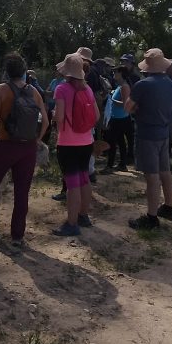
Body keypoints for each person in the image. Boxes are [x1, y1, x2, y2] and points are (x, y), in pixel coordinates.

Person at [0, 53, 49, 247]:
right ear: (24, 72)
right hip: (27, 147)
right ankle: (17, 236)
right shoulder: (34, 91)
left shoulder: (1, 89)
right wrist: (37, 140)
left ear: (7, 72)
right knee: (22, 191)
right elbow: (45, 121)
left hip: (5, 144)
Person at [126, 49, 172, 229]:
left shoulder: (143, 85)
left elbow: (128, 107)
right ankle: (168, 207)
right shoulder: (170, 83)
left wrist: (139, 108)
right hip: (163, 133)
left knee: (152, 177)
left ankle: (151, 217)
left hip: (147, 134)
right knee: (165, 171)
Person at [50, 53, 99, 237]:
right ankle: (83, 216)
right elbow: (97, 116)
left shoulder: (62, 89)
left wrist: (54, 115)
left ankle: (71, 224)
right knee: (84, 178)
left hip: (68, 143)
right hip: (86, 142)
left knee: (72, 185)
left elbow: (60, 117)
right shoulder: (87, 89)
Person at [100, 65, 133, 173]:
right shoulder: (119, 86)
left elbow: (125, 104)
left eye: (116, 72)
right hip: (117, 118)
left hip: (121, 119)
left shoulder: (124, 87)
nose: (114, 74)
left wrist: (112, 100)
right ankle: (122, 164)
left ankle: (110, 166)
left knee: (112, 142)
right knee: (120, 141)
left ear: (121, 74)